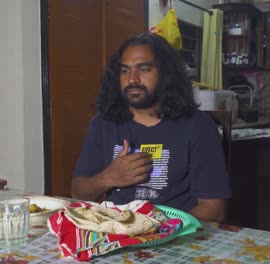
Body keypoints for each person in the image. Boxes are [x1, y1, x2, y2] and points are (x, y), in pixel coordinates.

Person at [71, 33, 231, 222]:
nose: (132, 79)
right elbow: (78, 193)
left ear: (165, 73)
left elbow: (213, 210)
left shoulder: (198, 125)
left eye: (144, 69)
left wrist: (153, 229)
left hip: (176, 236)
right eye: (124, 71)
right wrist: (108, 178)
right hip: (117, 231)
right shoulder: (104, 122)